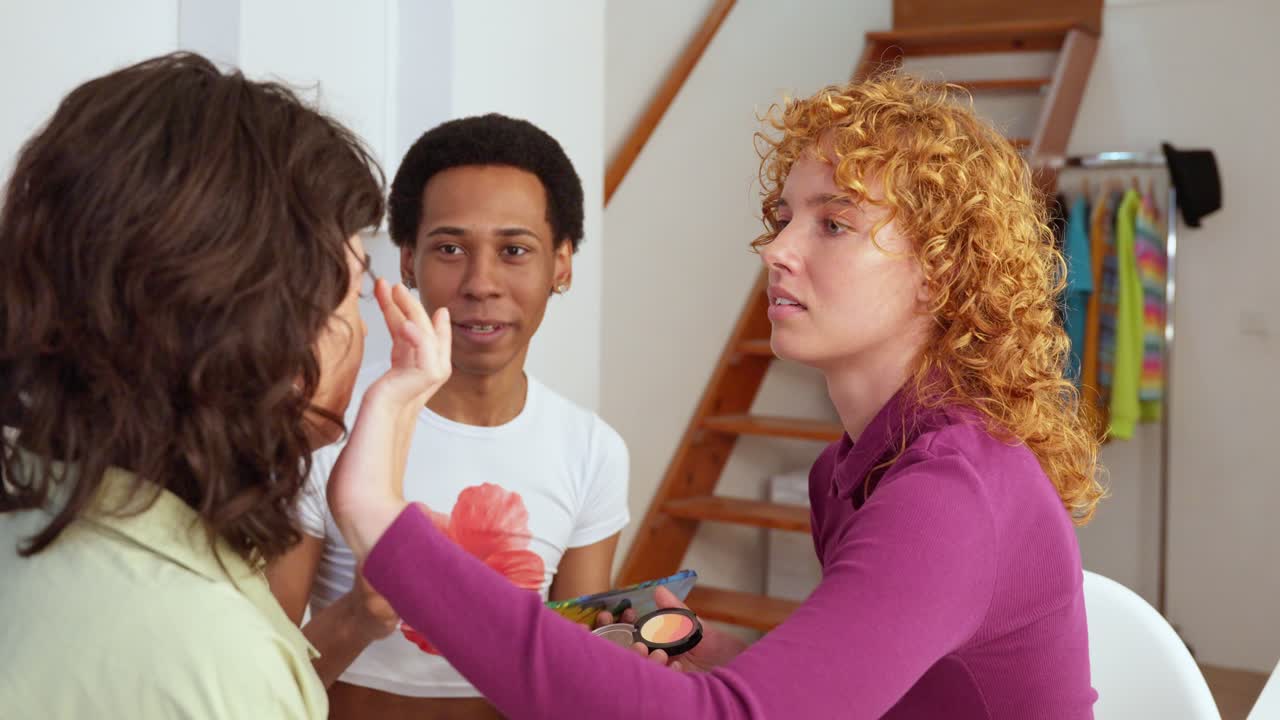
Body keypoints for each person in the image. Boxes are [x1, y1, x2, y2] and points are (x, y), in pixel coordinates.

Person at [326, 74, 1105, 719]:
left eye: (832, 224)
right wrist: (714, 651)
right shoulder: (849, 469)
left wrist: (381, 522)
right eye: (783, 217)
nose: (776, 249)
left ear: (942, 269)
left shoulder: (951, 493)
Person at [0, 52, 441, 719]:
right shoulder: (213, 660)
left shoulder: (37, 519)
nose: (364, 327)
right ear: (256, 324)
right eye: (353, 295)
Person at [266, 114, 629, 719]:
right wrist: (359, 615)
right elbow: (253, 683)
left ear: (562, 263)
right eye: (450, 249)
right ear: (408, 261)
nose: (481, 284)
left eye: (514, 250)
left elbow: (574, 678)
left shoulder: (592, 452)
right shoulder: (326, 428)